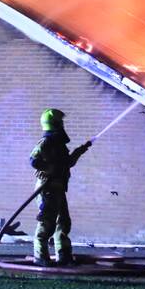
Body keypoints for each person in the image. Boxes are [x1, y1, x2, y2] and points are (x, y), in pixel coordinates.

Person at [29, 108, 91, 266]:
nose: (63, 124)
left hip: (58, 188)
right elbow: (33, 160)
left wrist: (79, 151)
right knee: (47, 222)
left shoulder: (59, 144)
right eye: (60, 122)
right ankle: (40, 257)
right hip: (47, 189)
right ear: (55, 123)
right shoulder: (46, 142)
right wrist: (47, 169)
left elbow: (67, 163)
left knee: (63, 222)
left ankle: (63, 256)